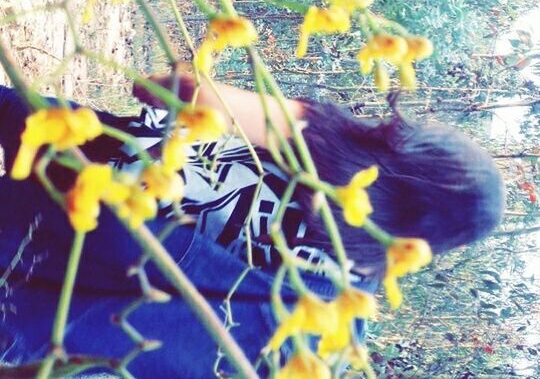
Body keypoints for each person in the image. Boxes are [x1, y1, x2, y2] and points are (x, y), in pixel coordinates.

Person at [0, 72, 505, 378]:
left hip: (66, 175)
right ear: (427, 246)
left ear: (411, 147)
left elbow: (162, 87)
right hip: (46, 307)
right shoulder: (334, 326)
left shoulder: (318, 138)